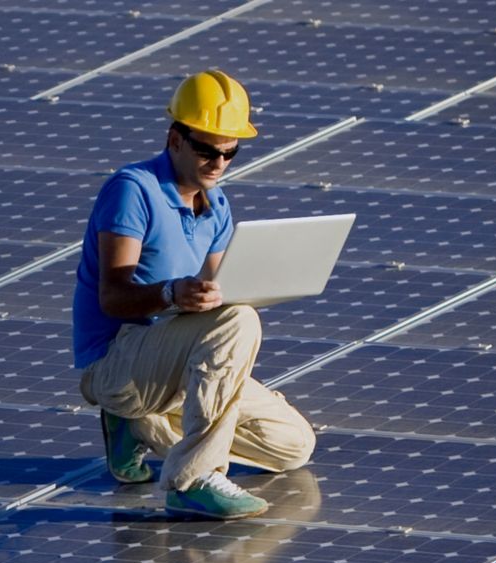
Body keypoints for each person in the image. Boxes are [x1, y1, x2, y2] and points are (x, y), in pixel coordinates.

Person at [71, 69, 317, 520]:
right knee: (241, 321)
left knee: (294, 446)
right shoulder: (133, 190)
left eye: (230, 152)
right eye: (207, 149)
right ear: (175, 139)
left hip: (176, 364)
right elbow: (112, 297)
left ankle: (140, 426)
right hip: (117, 363)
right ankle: (190, 480)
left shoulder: (216, 205)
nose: (218, 163)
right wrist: (170, 294)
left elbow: (219, 297)